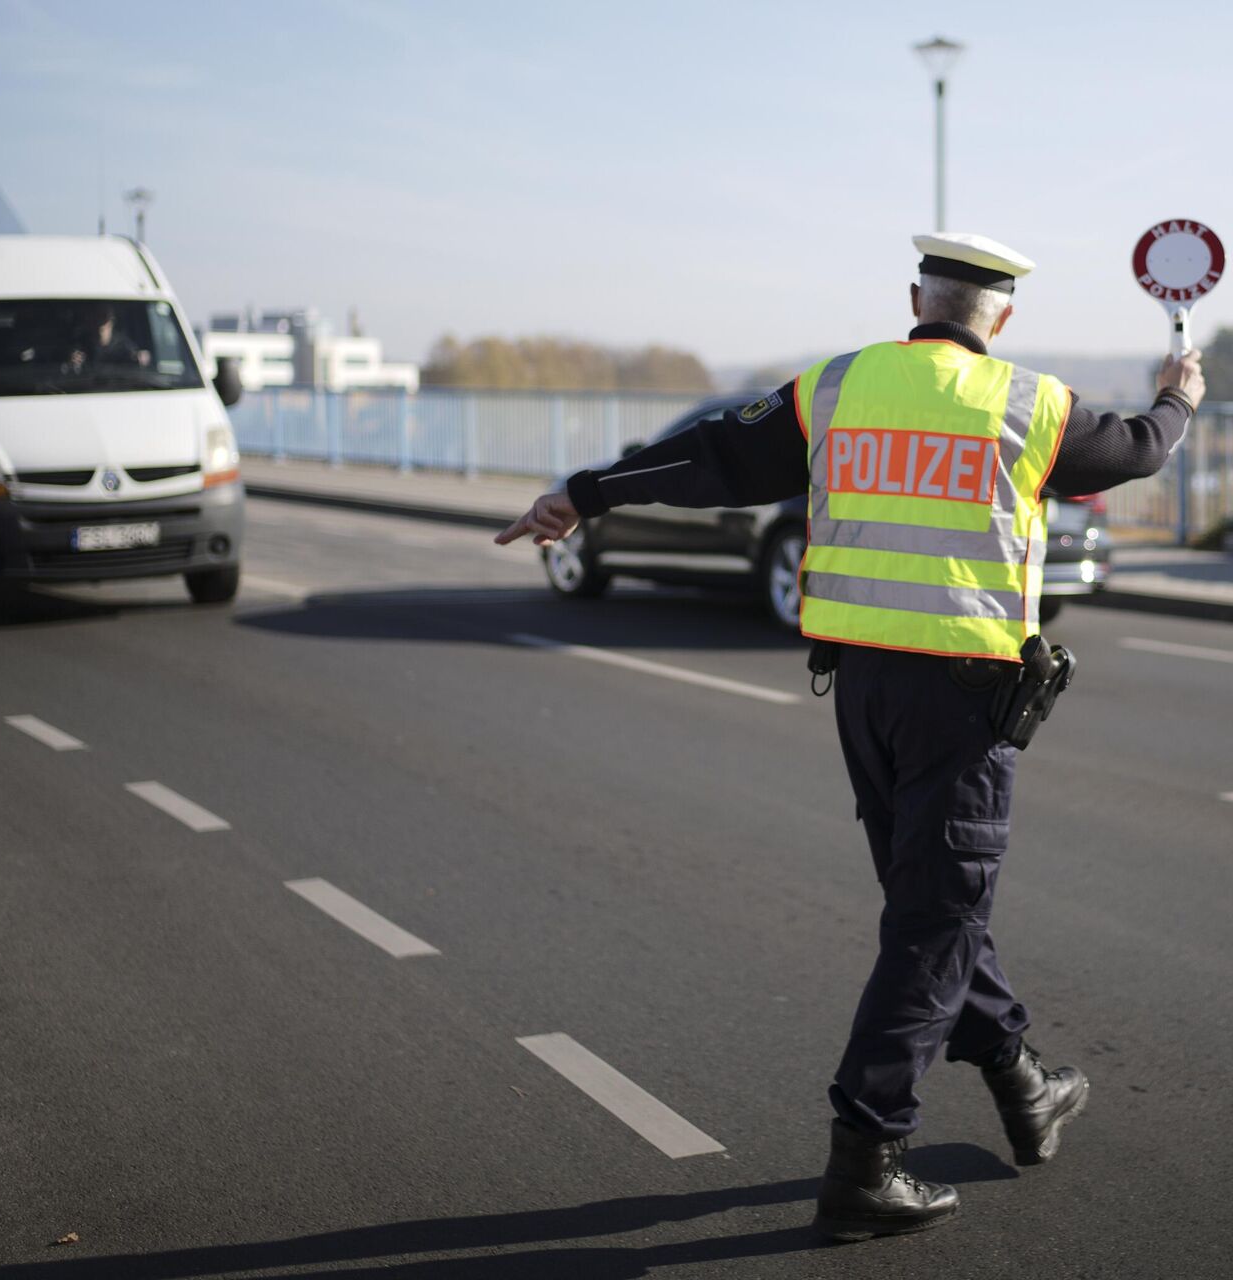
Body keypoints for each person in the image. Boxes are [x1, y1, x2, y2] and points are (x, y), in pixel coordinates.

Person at [495, 232, 1206, 1242]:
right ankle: (866, 1153)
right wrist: (1180, 391)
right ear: (998, 316)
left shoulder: (835, 389)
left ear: (915, 295)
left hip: (862, 688)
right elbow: (1138, 448)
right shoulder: (1030, 406)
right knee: (933, 918)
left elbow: (707, 455)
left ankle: (1017, 1077)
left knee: (930, 900)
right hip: (964, 703)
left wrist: (583, 490)